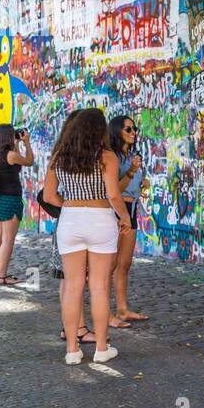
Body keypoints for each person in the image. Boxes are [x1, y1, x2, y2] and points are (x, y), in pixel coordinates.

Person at [42, 108, 131, 365]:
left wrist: (71, 205)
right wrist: (124, 218)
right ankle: (101, 348)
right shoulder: (106, 156)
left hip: (69, 221)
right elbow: (114, 195)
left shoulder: (58, 157)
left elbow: (49, 196)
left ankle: (72, 350)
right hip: (101, 220)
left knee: (72, 286)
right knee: (100, 286)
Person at [108, 114, 146, 327]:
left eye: (134, 129)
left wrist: (141, 180)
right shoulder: (112, 157)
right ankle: (107, 313)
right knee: (110, 264)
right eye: (128, 129)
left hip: (132, 209)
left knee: (124, 263)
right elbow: (114, 189)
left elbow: (131, 185)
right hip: (117, 210)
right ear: (117, 131)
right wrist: (131, 172)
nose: (133, 133)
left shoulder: (131, 155)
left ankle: (122, 309)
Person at [0, 123, 34, 285]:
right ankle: (2, 276)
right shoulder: (11, 155)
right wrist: (26, 142)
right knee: (8, 240)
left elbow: (17, 166)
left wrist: (17, 144)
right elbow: (29, 162)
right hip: (10, 200)